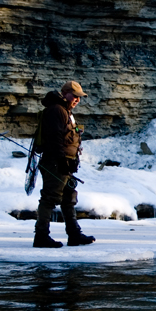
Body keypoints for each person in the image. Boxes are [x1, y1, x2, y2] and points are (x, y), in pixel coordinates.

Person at [33, 81, 96, 248]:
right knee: (50, 198)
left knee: (68, 198)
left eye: (79, 97)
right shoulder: (56, 110)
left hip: (64, 163)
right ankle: (41, 237)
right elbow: (55, 138)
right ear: (65, 93)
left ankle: (74, 235)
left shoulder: (65, 111)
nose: (77, 100)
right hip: (55, 162)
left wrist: (70, 161)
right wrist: (61, 161)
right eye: (74, 96)